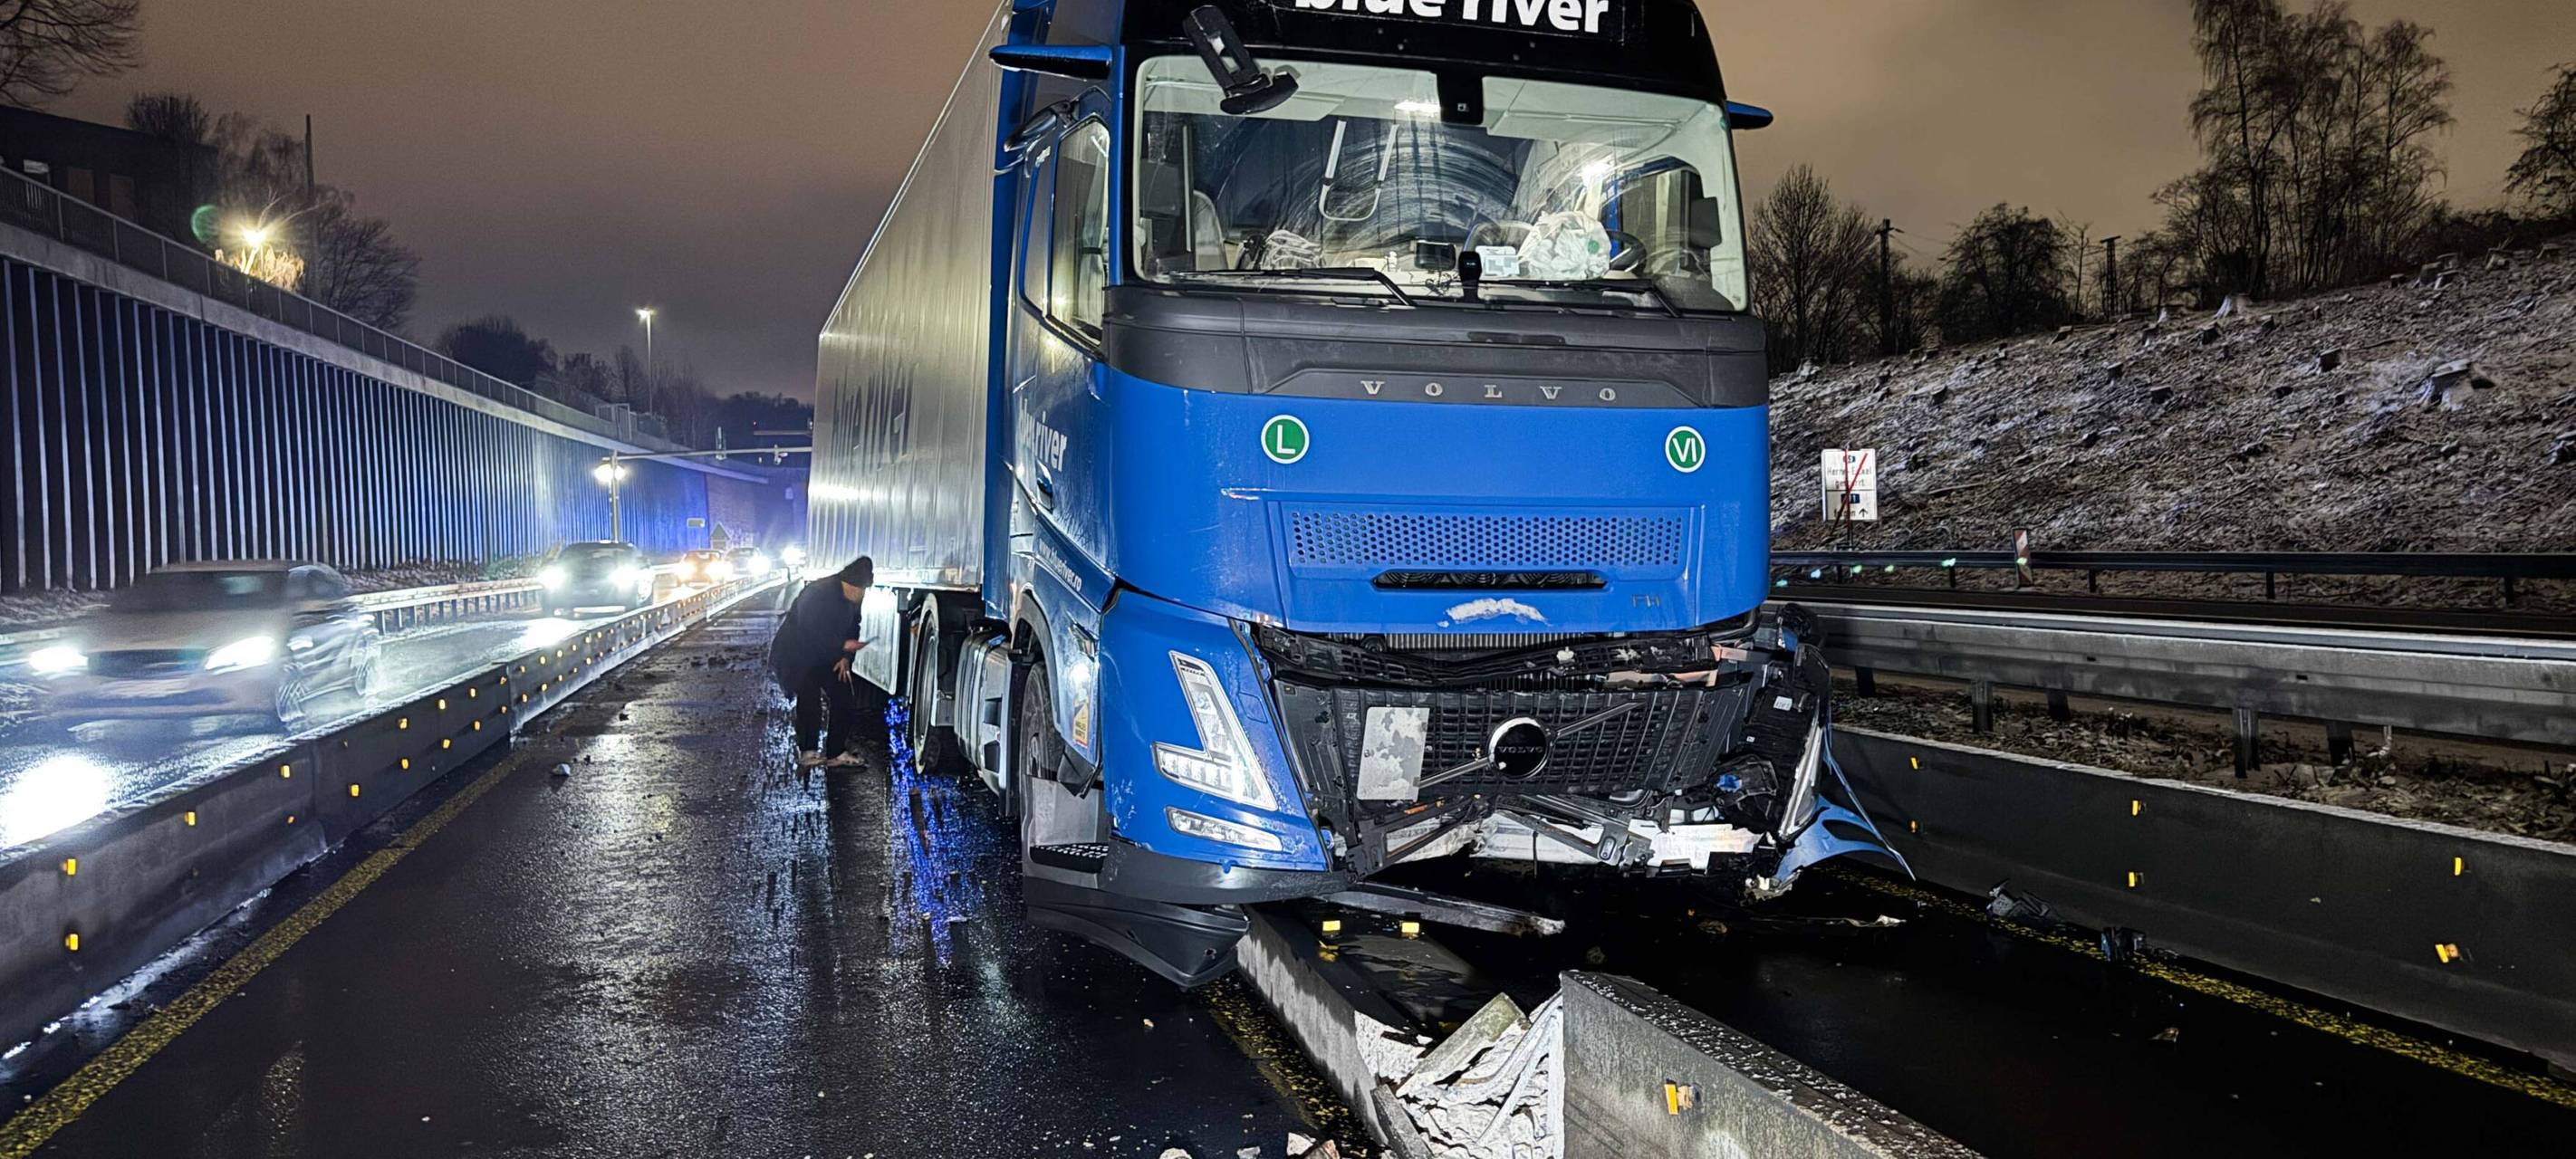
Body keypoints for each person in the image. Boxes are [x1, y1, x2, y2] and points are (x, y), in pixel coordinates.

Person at [770, 556, 873, 769]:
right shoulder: (817, 594)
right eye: (860, 589)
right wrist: (842, 649)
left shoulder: (853, 598)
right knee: (809, 699)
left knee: (844, 696)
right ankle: (807, 752)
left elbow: (854, 626)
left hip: (827, 655)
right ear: (849, 584)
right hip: (797, 654)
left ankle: (836, 752)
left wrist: (846, 658)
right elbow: (811, 632)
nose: (862, 595)